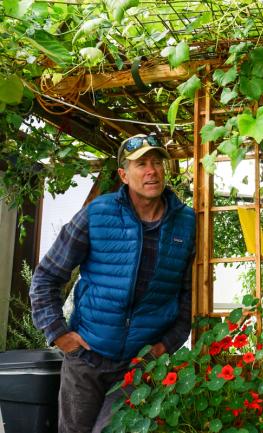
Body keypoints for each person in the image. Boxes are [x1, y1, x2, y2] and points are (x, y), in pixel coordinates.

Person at [29, 133, 196, 433]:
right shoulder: (97, 214)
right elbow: (46, 277)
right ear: (123, 174)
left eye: (157, 162)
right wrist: (58, 334)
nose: (151, 171)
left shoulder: (186, 222)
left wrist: (164, 347)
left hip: (138, 366)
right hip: (86, 360)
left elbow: (188, 295)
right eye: (141, 163)